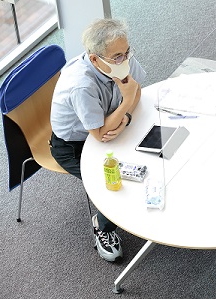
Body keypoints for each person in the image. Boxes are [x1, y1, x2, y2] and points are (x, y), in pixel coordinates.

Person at [50, 18, 146, 262]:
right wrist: (126, 104)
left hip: (110, 122)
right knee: (113, 178)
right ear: (95, 59)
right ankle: (103, 227)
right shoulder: (81, 85)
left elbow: (138, 91)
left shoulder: (118, 58)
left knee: (145, 154)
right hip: (73, 146)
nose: (124, 60)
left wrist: (123, 118)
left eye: (126, 52)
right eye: (117, 57)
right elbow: (100, 135)